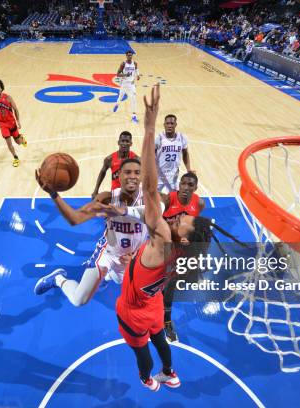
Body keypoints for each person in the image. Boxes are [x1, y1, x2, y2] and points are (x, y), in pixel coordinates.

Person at [115, 84, 212, 391]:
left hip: (134, 307)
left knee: (140, 349)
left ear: (182, 238)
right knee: (159, 338)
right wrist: (135, 265)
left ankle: (147, 379)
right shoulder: (179, 253)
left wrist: (148, 128)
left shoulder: (161, 238)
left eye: (185, 221)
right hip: (154, 301)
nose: (182, 216)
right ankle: (169, 372)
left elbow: (149, 185)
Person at [34, 158, 147, 306]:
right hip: (108, 253)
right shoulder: (107, 198)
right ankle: (58, 278)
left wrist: (139, 255)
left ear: (142, 176)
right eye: (127, 172)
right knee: (78, 300)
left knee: (124, 284)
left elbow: (159, 231)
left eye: (137, 172)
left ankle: (105, 277)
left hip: (133, 256)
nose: (132, 176)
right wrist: (54, 194)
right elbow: (75, 218)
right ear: (119, 175)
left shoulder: (150, 199)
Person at [160, 172, 205, 342]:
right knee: (167, 281)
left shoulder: (199, 203)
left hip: (181, 246)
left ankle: (165, 315)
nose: (186, 188)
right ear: (179, 184)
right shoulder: (168, 200)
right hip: (163, 242)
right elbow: (155, 222)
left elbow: (194, 226)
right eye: (183, 184)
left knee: (172, 282)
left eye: (190, 185)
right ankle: (167, 321)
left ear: (195, 187)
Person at [0, 78, 27, 167]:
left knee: (18, 142)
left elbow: (15, 109)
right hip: (3, 124)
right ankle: (15, 158)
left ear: (1, 88)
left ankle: (21, 138)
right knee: (8, 142)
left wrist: (18, 121)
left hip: (12, 123)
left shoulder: (8, 97)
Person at [91, 131, 138, 198]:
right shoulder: (109, 159)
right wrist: (96, 190)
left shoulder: (136, 159)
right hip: (115, 194)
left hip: (131, 194)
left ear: (131, 143)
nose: (124, 144)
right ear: (118, 142)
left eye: (127, 141)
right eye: (122, 141)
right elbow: (102, 172)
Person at [155, 114, 193, 192]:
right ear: (164, 125)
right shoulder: (159, 138)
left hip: (173, 174)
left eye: (172, 123)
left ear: (175, 124)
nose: (169, 126)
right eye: (167, 123)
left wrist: (188, 169)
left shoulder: (182, 138)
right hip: (159, 174)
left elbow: (185, 154)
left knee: (172, 197)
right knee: (154, 197)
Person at [113, 50, 140, 123]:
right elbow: (118, 74)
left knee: (133, 98)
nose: (130, 56)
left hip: (131, 84)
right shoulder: (123, 64)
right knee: (121, 96)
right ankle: (117, 104)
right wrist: (125, 75)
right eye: (128, 55)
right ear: (126, 56)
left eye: (131, 55)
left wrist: (138, 75)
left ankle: (134, 116)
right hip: (124, 83)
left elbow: (136, 69)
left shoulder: (135, 63)